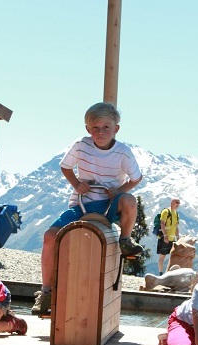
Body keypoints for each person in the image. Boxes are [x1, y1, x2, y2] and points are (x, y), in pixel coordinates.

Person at [32, 102, 144, 317]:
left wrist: (118, 190)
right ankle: (46, 291)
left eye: (106, 128)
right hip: (83, 202)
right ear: (87, 129)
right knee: (50, 236)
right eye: (95, 128)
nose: (100, 132)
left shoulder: (123, 153)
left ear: (116, 129)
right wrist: (76, 184)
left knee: (129, 200)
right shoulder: (81, 145)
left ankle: (126, 240)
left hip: (111, 204)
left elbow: (136, 178)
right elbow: (65, 166)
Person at [154, 198, 183, 275]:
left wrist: (178, 238)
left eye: (179, 203)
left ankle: (170, 273)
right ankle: (160, 273)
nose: (177, 204)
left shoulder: (176, 214)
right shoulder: (166, 212)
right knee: (162, 257)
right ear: (172, 203)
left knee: (173, 257)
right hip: (165, 238)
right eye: (176, 202)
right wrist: (165, 236)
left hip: (172, 238)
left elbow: (176, 227)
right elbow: (162, 224)